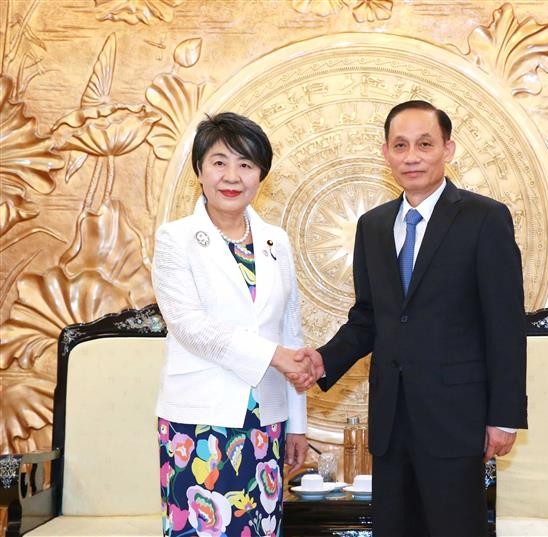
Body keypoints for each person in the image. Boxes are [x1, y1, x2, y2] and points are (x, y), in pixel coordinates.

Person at [296, 101, 527, 537]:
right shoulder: (373, 226)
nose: (412, 156)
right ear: (385, 153)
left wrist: (504, 416)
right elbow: (368, 318)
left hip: (457, 419)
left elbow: (506, 326)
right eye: (400, 145)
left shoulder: (484, 218)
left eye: (425, 144)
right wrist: (323, 360)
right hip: (390, 419)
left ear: (448, 149)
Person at [152, 112, 314, 536]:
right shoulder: (176, 239)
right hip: (199, 422)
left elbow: (290, 332)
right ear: (200, 170)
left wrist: (296, 423)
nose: (232, 176)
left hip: (267, 420)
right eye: (219, 162)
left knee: (262, 527)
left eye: (246, 164)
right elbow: (190, 327)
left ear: (261, 174)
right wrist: (273, 356)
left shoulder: (276, 240)